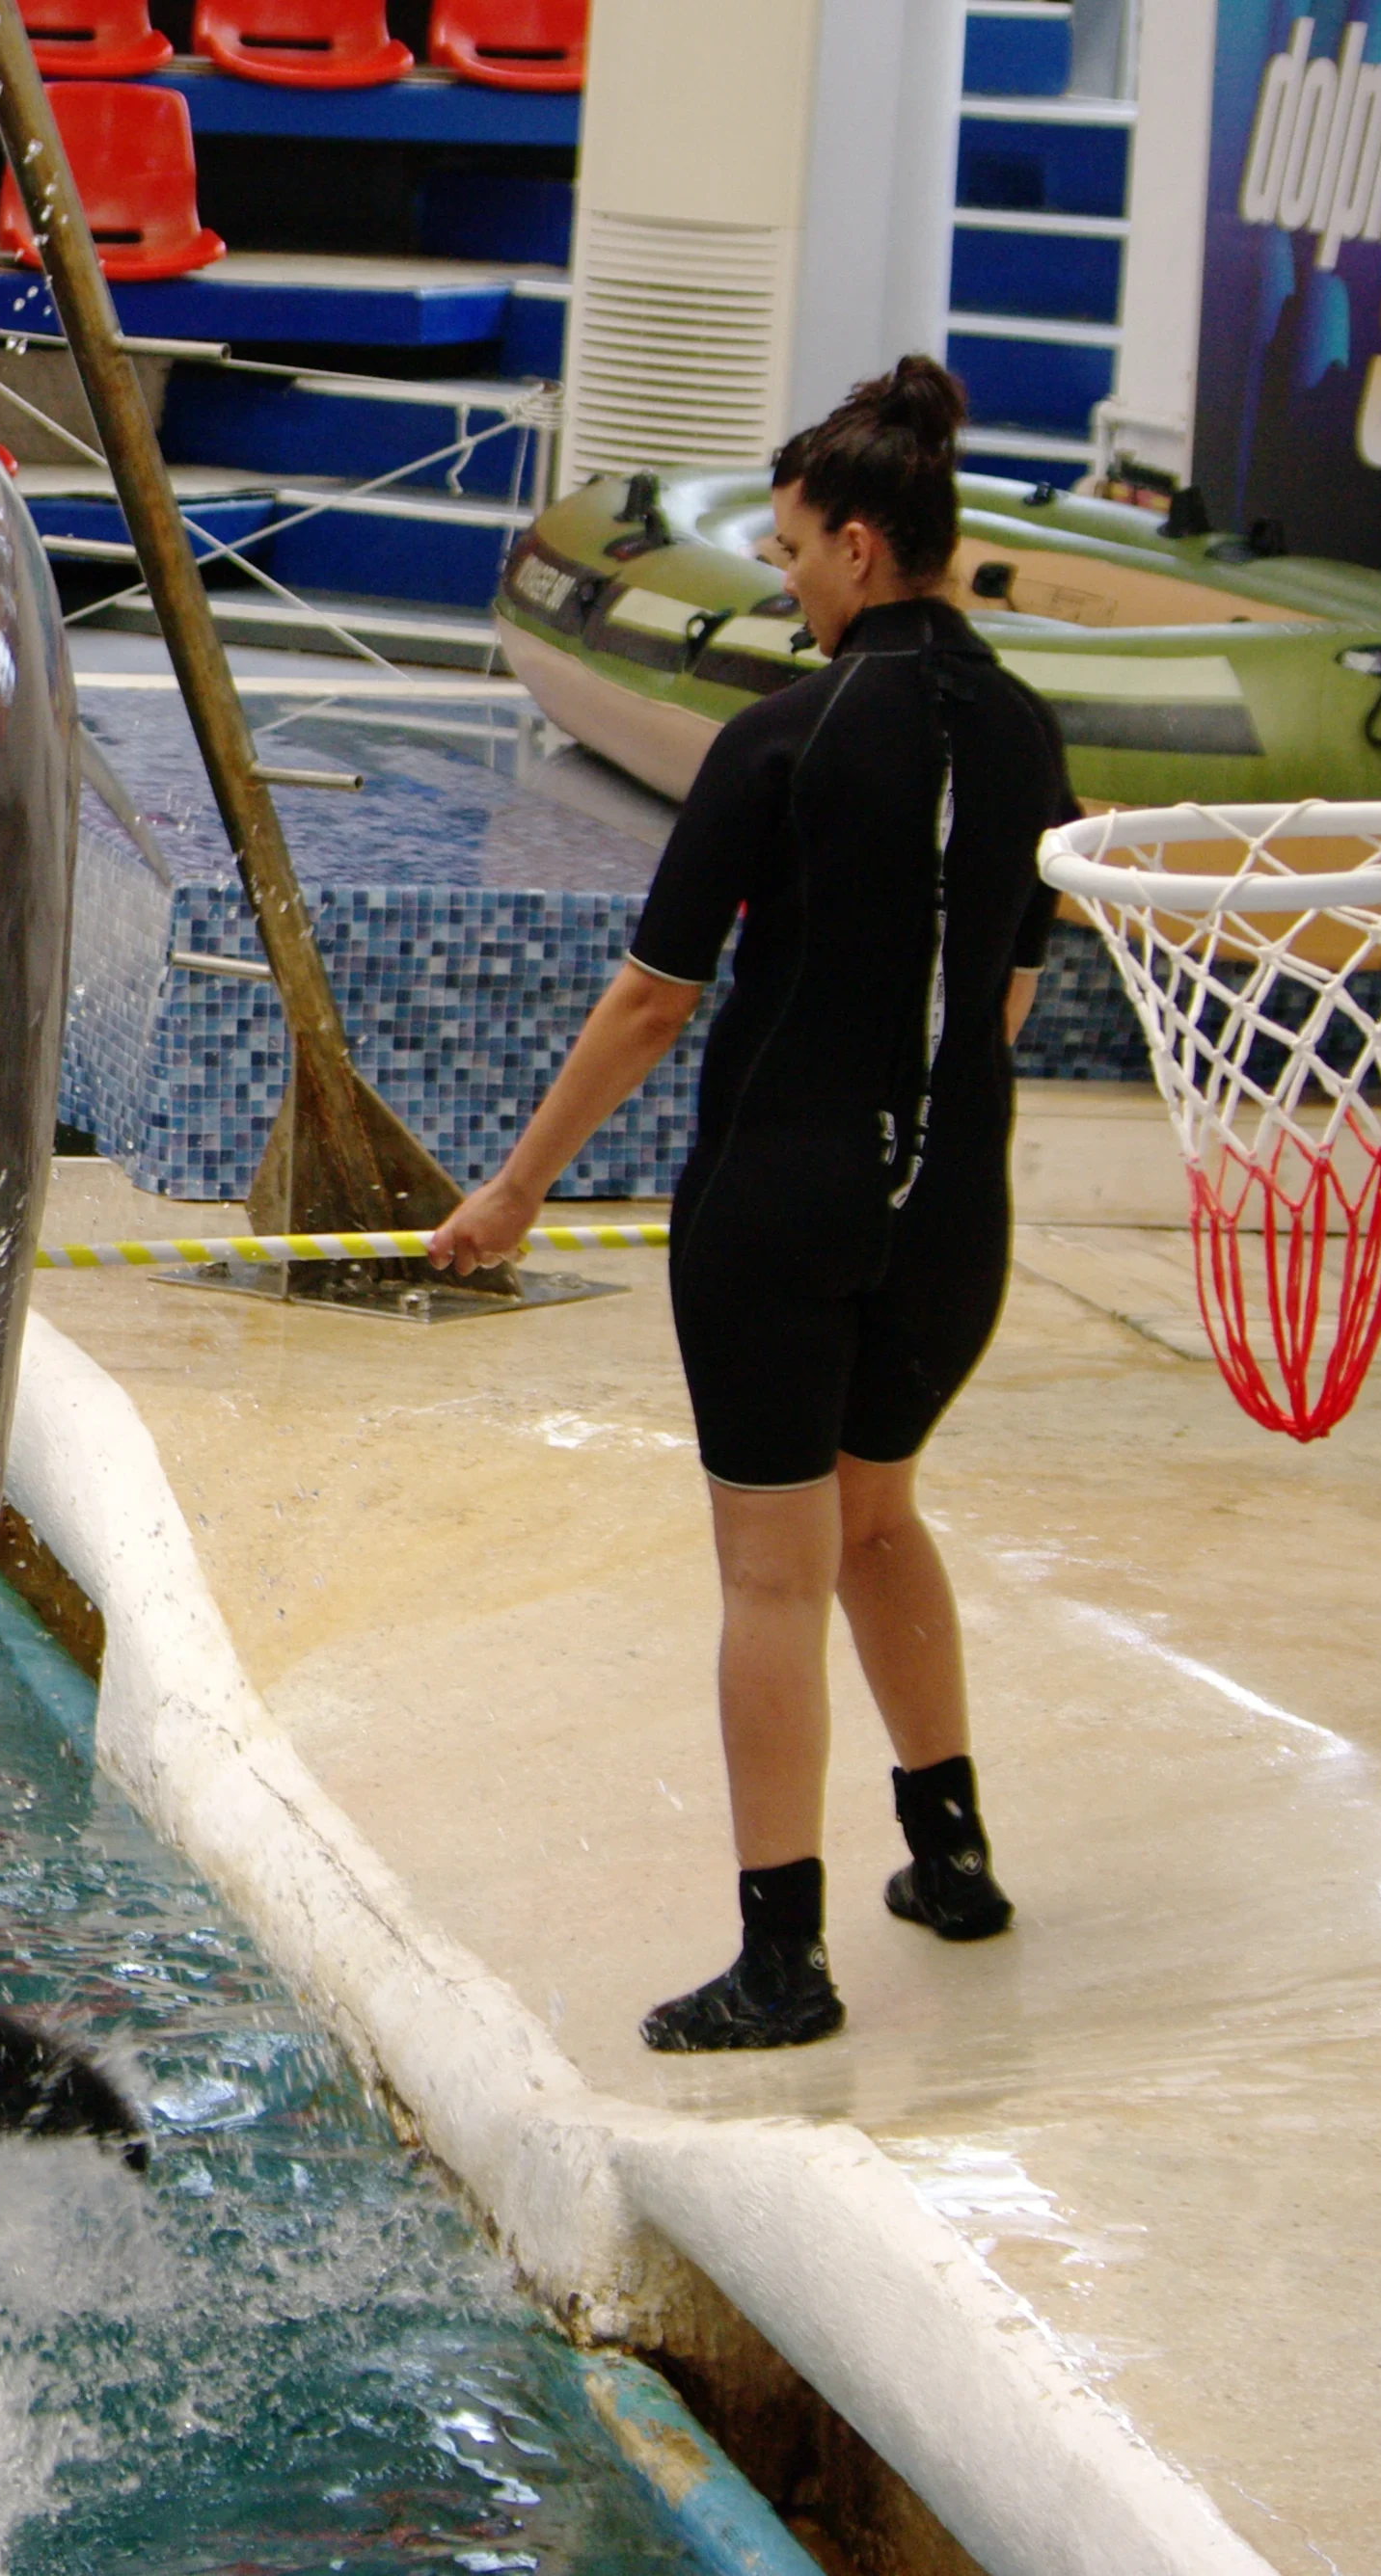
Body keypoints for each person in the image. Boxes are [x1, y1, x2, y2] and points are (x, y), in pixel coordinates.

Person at [428, 360, 1077, 2058]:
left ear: (860, 545)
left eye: (791, 549)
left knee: (773, 1575)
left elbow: (652, 1000)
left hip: (778, 1208)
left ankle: (781, 1959)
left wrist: (514, 1188)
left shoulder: (779, 739)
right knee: (879, 1515)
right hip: (953, 1213)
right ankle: (951, 1858)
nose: (782, 579)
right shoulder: (1027, 735)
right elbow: (1002, 1001)